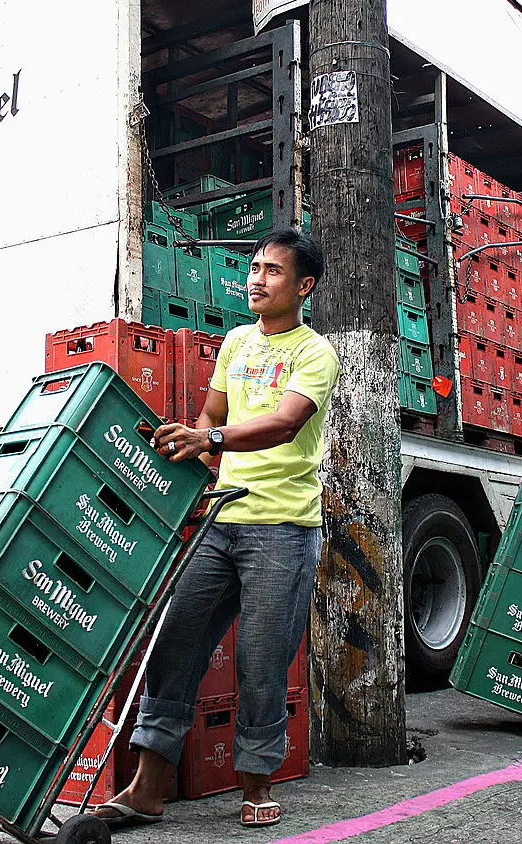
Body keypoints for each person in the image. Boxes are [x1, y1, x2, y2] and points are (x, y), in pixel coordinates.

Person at [93, 228, 339, 829]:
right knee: (175, 644)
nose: (256, 279)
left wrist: (212, 439)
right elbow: (213, 417)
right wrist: (191, 448)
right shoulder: (234, 343)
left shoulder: (315, 354)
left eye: (272, 271)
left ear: (303, 286)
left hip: (281, 527)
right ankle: (148, 788)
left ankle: (256, 785)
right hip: (221, 521)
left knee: (261, 660)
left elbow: (283, 423)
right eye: (253, 268)